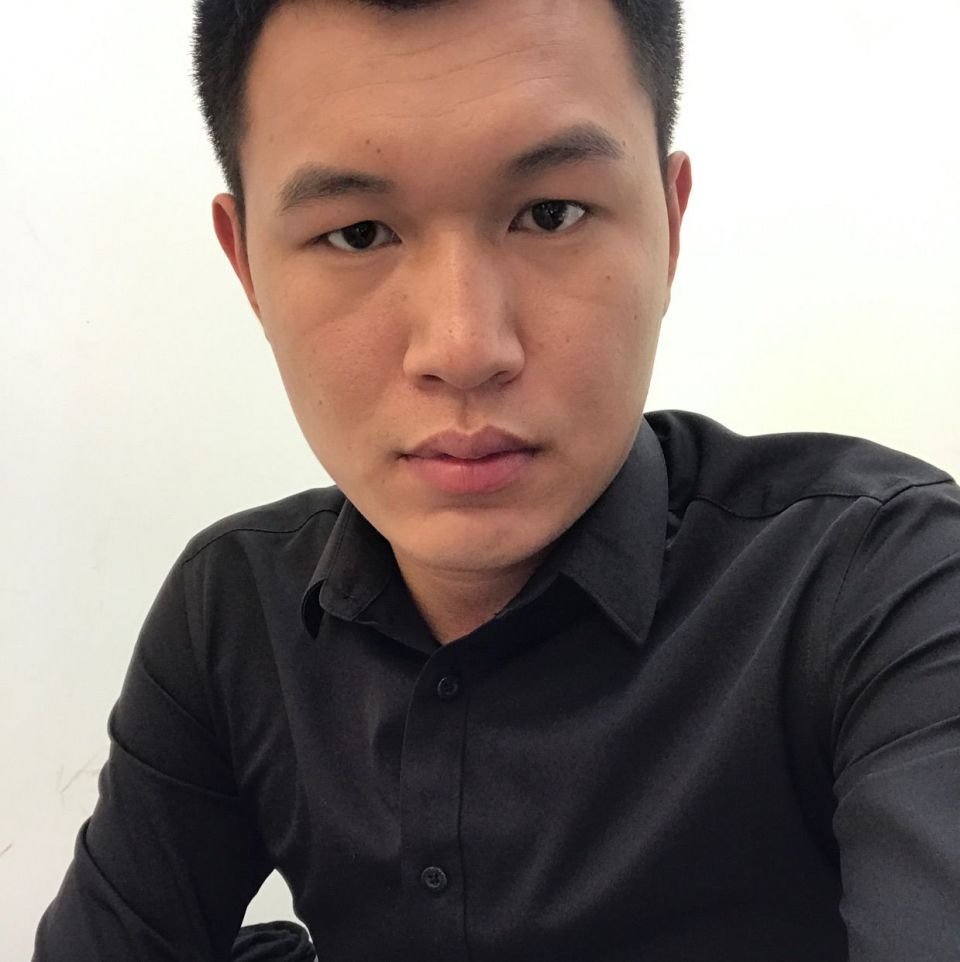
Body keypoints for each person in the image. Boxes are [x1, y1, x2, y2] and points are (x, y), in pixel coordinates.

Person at [33, 0, 960, 959]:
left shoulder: (883, 585)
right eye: (358, 233)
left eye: (551, 214)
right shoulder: (233, 614)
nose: (464, 348)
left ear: (671, 225)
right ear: (248, 270)